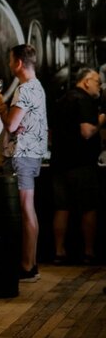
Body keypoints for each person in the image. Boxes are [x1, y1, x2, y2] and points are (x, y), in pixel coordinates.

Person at [0, 44, 48, 282]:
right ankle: (30, 263)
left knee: (24, 209)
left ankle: (26, 266)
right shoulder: (38, 87)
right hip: (32, 154)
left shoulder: (24, 90)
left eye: (10, 60)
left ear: (18, 63)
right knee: (29, 210)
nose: (9, 64)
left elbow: (12, 125)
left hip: (20, 155)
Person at [50, 68, 102, 264]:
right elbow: (87, 131)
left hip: (59, 164)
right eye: (97, 81)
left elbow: (51, 133)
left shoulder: (62, 99)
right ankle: (89, 253)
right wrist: (101, 121)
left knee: (61, 208)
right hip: (81, 164)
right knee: (89, 207)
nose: (99, 86)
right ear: (87, 81)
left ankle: (59, 253)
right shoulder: (84, 100)